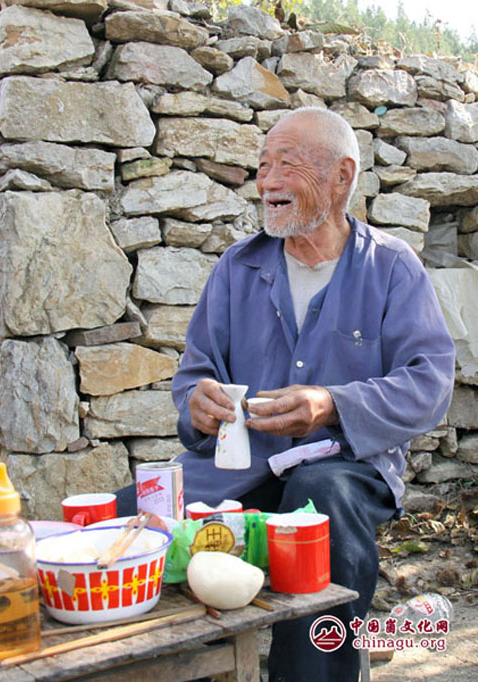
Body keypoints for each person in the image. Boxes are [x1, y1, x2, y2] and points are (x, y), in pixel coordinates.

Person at [117, 107, 455, 681]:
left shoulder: (391, 267)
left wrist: (333, 404)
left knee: (316, 501)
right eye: (263, 166)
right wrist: (197, 403)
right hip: (236, 466)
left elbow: (430, 382)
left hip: (346, 467)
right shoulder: (238, 267)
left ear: (341, 177)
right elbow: (195, 372)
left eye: (287, 165)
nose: (268, 182)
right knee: (127, 521)